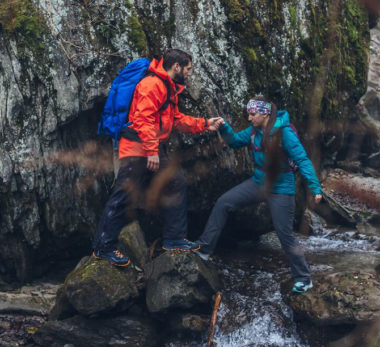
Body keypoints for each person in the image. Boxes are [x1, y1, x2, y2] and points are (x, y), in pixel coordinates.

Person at [92, 48, 223, 266]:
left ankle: (173, 239)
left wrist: (204, 124)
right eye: (188, 69)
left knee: (175, 182)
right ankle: (103, 247)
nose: (190, 74)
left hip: (150, 147)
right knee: (124, 195)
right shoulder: (152, 84)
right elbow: (143, 120)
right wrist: (152, 151)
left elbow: (175, 119)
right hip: (137, 147)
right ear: (177, 67)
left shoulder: (167, 87)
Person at [195, 96, 322, 293]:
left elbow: (303, 160)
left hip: (281, 189)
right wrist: (224, 128)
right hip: (258, 183)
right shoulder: (255, 131)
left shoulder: (284, 133)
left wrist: (315, 188)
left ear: (264, 114)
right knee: (223, 202)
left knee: (284, 234)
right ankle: (204, 249)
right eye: (249, 113)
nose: (249, 117)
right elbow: (235, 142)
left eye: (252, 114)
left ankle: (304, 278)